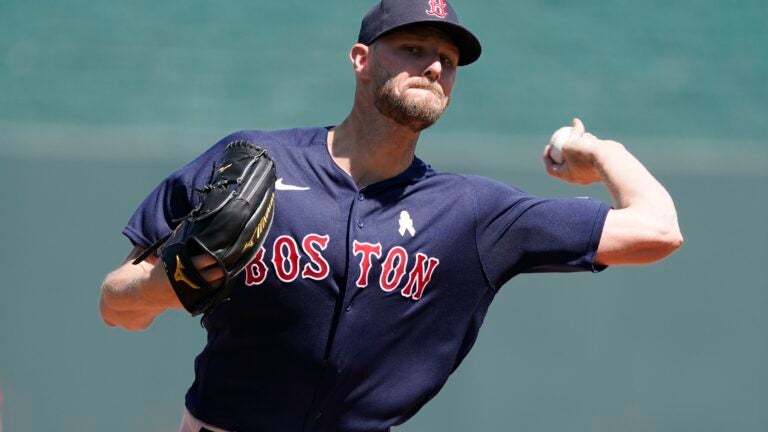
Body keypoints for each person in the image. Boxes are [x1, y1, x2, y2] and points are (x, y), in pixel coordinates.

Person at [99, 0, 683, 431]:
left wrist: (603, 153)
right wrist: (177, 279)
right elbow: (115, 305)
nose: (434, 66)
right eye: (414, 48)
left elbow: (658, 232)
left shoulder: (472, 213)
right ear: (361, 59)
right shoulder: (256, 162)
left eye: (448, 59)